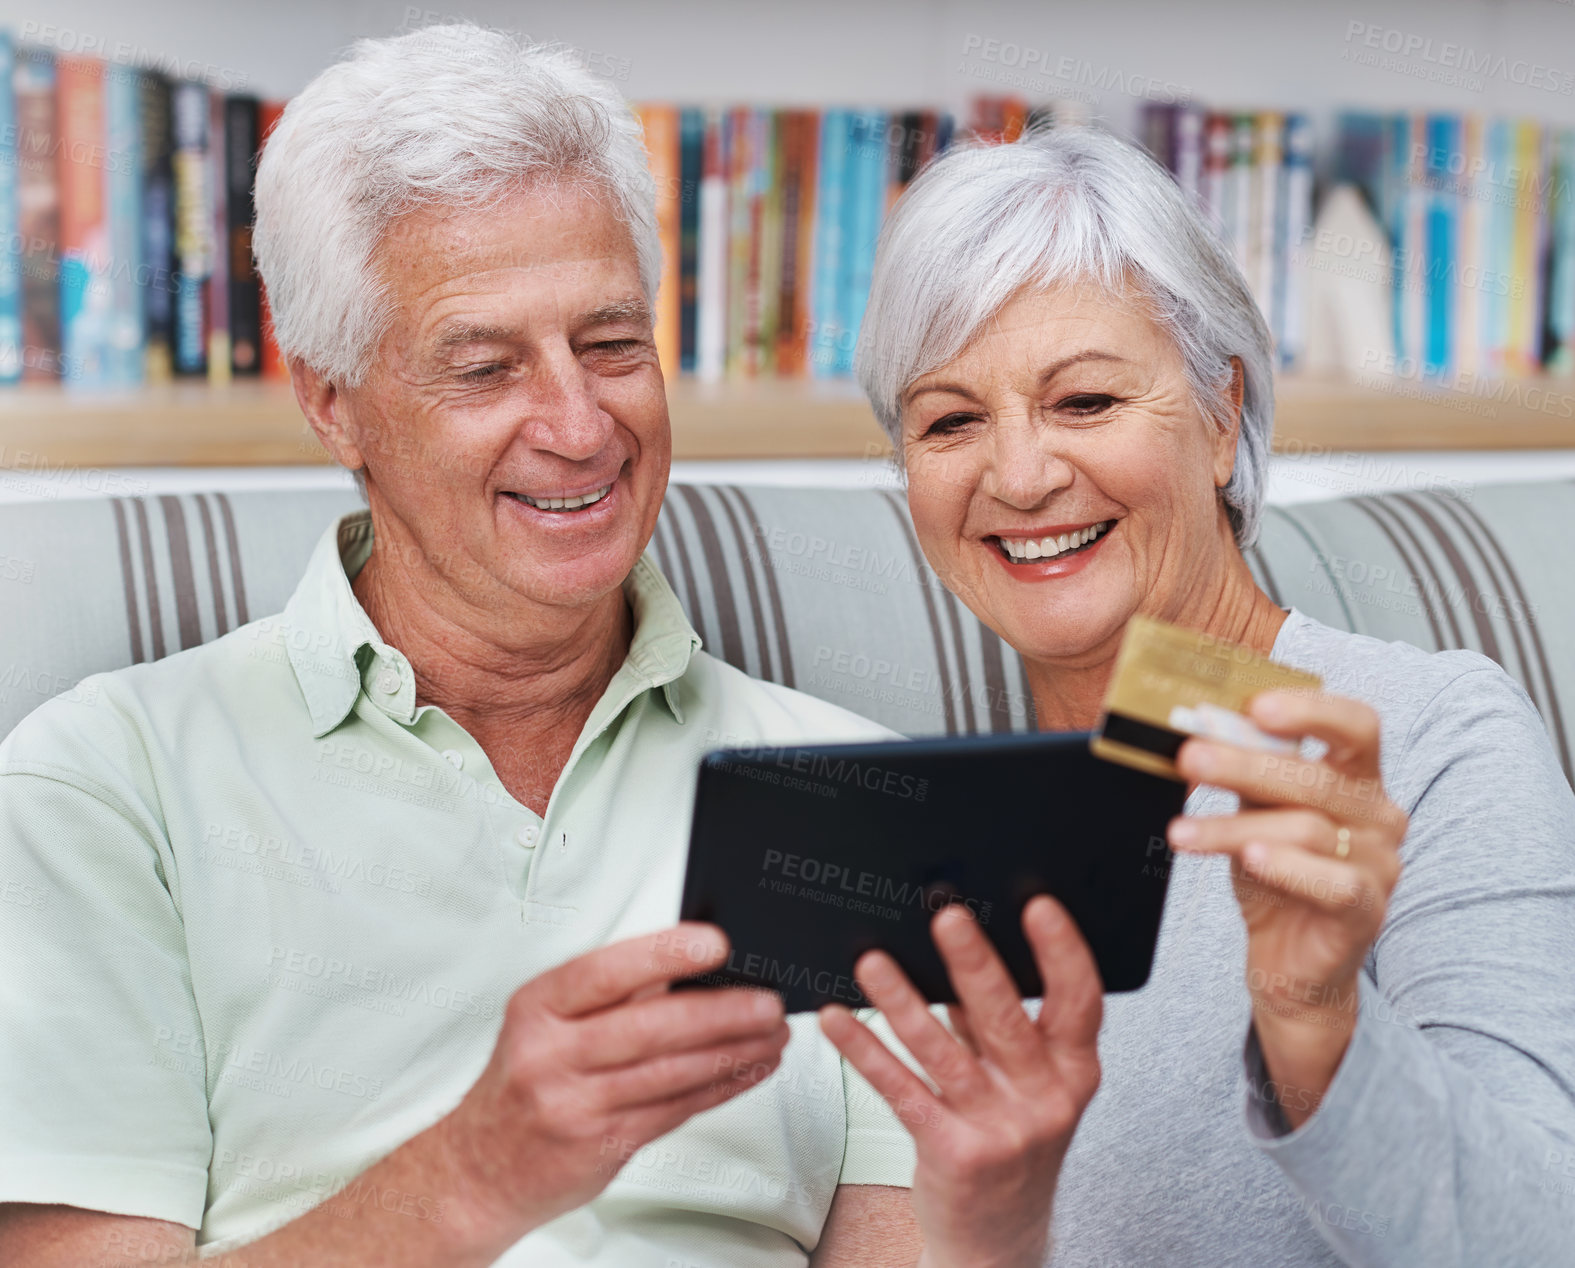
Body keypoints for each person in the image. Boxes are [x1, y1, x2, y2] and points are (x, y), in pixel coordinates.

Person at [0, 27, 1090, 1268]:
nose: (579, 425)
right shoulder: (106, 784)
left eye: (614, 342)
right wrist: (474, 1175)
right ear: (330, 400)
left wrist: (1006, 1212)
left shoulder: (862, 795)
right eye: (484, 367)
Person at [845, 121, 1575, 1266]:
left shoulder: (1429, 738)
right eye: (951, 420)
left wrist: (1318, 1023)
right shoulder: (917, 825)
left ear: (1222, 415)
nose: (1023, 475)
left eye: (1085, 401)